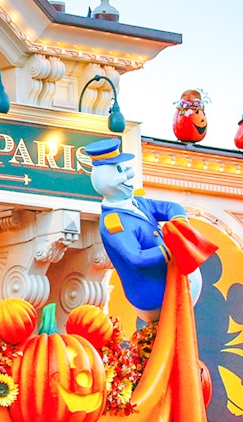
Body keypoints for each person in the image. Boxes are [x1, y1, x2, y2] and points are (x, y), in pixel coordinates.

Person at [87, 138, 214, 323]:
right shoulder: (113, 222)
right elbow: (136, 257)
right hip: (155, 295)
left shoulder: (137, 202)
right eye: (120, 171)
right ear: (106, 181)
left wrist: (179, 224)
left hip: (175, 285)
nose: (129, 176)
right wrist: (171, 249)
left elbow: (171, 207)